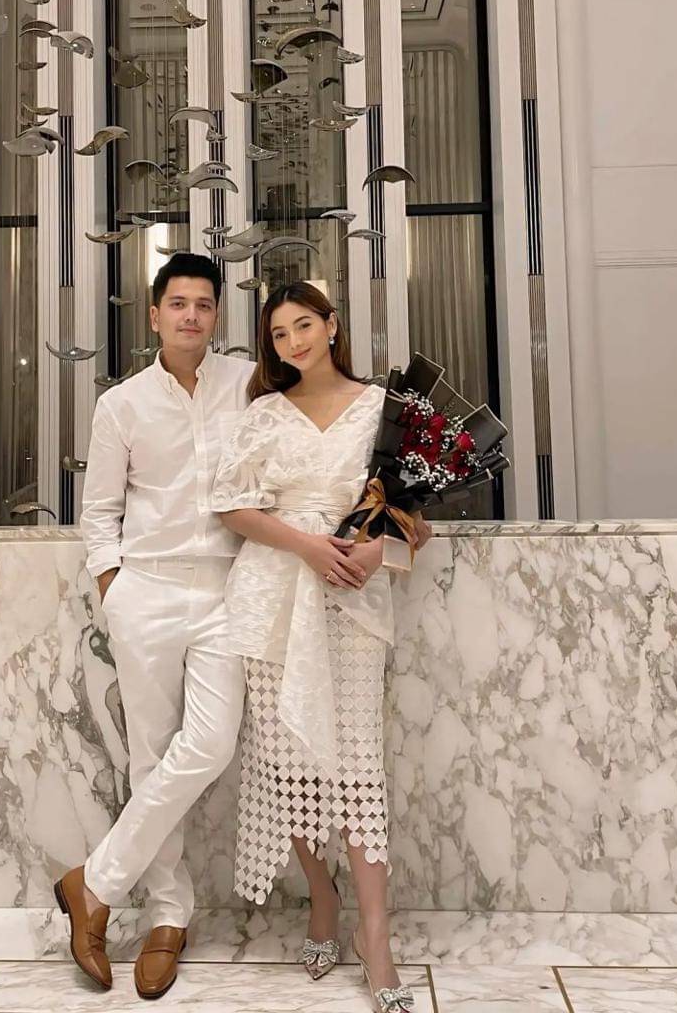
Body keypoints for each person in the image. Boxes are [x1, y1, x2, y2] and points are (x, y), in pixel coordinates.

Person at [210, 281, 431, 1013]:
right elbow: (232, 505)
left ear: (332, 326)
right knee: (289, 768)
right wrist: (305, 545)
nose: (294, 342)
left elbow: (416, 516)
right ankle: (323, 899)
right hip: (272, 599)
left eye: (304, 325)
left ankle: (376, 937)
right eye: (279, 334)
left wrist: (375, 552)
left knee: (358, 771)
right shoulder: (264, 413)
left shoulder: (382, 410)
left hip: (353, 601)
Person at [56, 253, 254, 1000]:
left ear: (216, 315)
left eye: (203, 304)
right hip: (147, 591)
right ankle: (169, 916)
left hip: (227, 591)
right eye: (178, 303)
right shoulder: (123, 404)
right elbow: (99, 512)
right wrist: (116, 589)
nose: (191, 315)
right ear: (154, 315)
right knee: (151, 755)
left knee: (209, 744)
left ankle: (94, 884)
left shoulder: (248, 385)